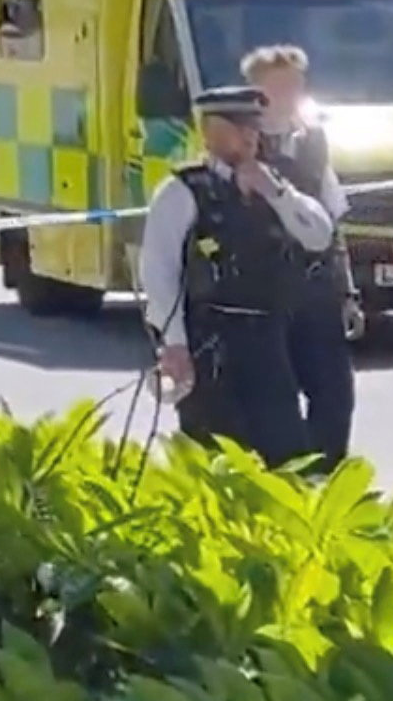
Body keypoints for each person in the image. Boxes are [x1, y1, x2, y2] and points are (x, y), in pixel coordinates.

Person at [138, 85, 331, 467]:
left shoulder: (275, 186)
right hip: (212, 342)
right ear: (209, 130)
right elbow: (158, 272)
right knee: (215, 453)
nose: (250, 134)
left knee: (284, 451)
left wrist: (276, 193)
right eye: (239, 124)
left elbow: (318, 235)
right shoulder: (183, 189)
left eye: (254, 125)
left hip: (270, 337)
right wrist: (174, 344)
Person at [241, 46, 358, 465]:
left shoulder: (313, 139)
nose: (293, 91)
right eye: (282, 83)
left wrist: (346, 291)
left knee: (335, 392)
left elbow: (332, 216)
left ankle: (326, 476)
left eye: (297, 82)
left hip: (315, 288)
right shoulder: (240, 144)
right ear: (258, 90)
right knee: (276, 400)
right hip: (263, 290)